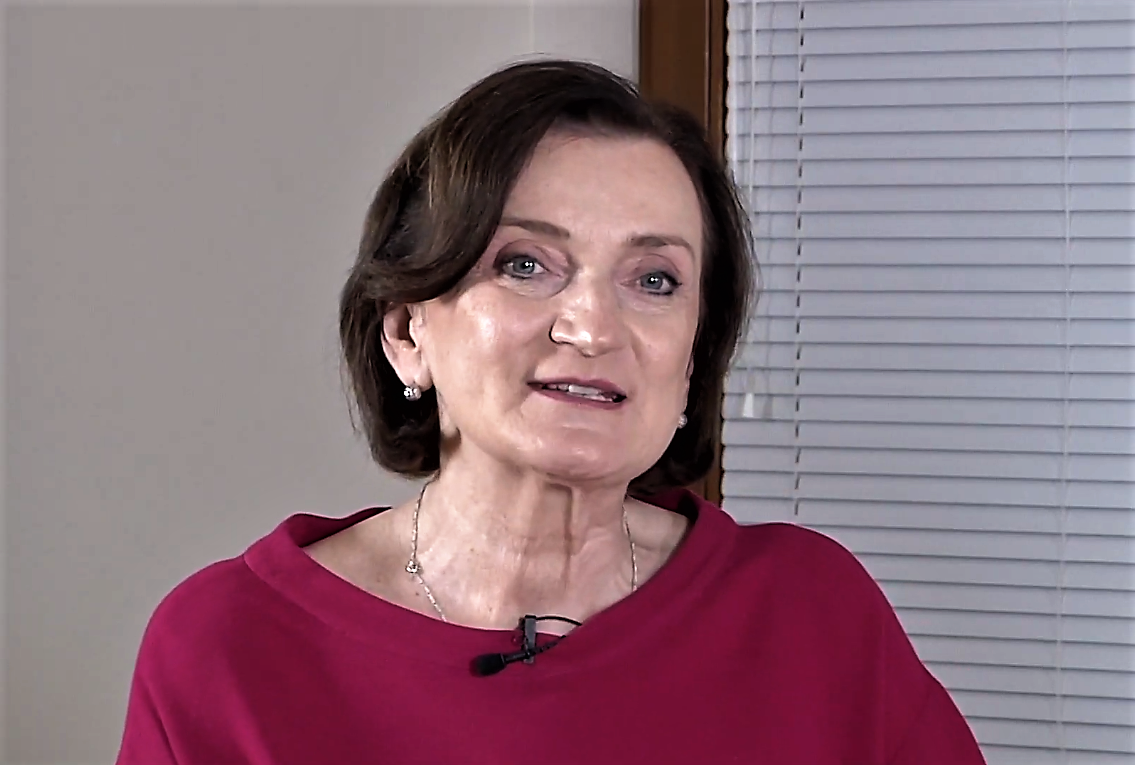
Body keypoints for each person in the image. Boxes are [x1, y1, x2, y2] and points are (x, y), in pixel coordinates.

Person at [115, 59, 986, 764]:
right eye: (525, 264)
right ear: (407, 331)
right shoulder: (230, 645)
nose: (593, 326)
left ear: (691, 360)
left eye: (654, 280)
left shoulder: (812, 612)